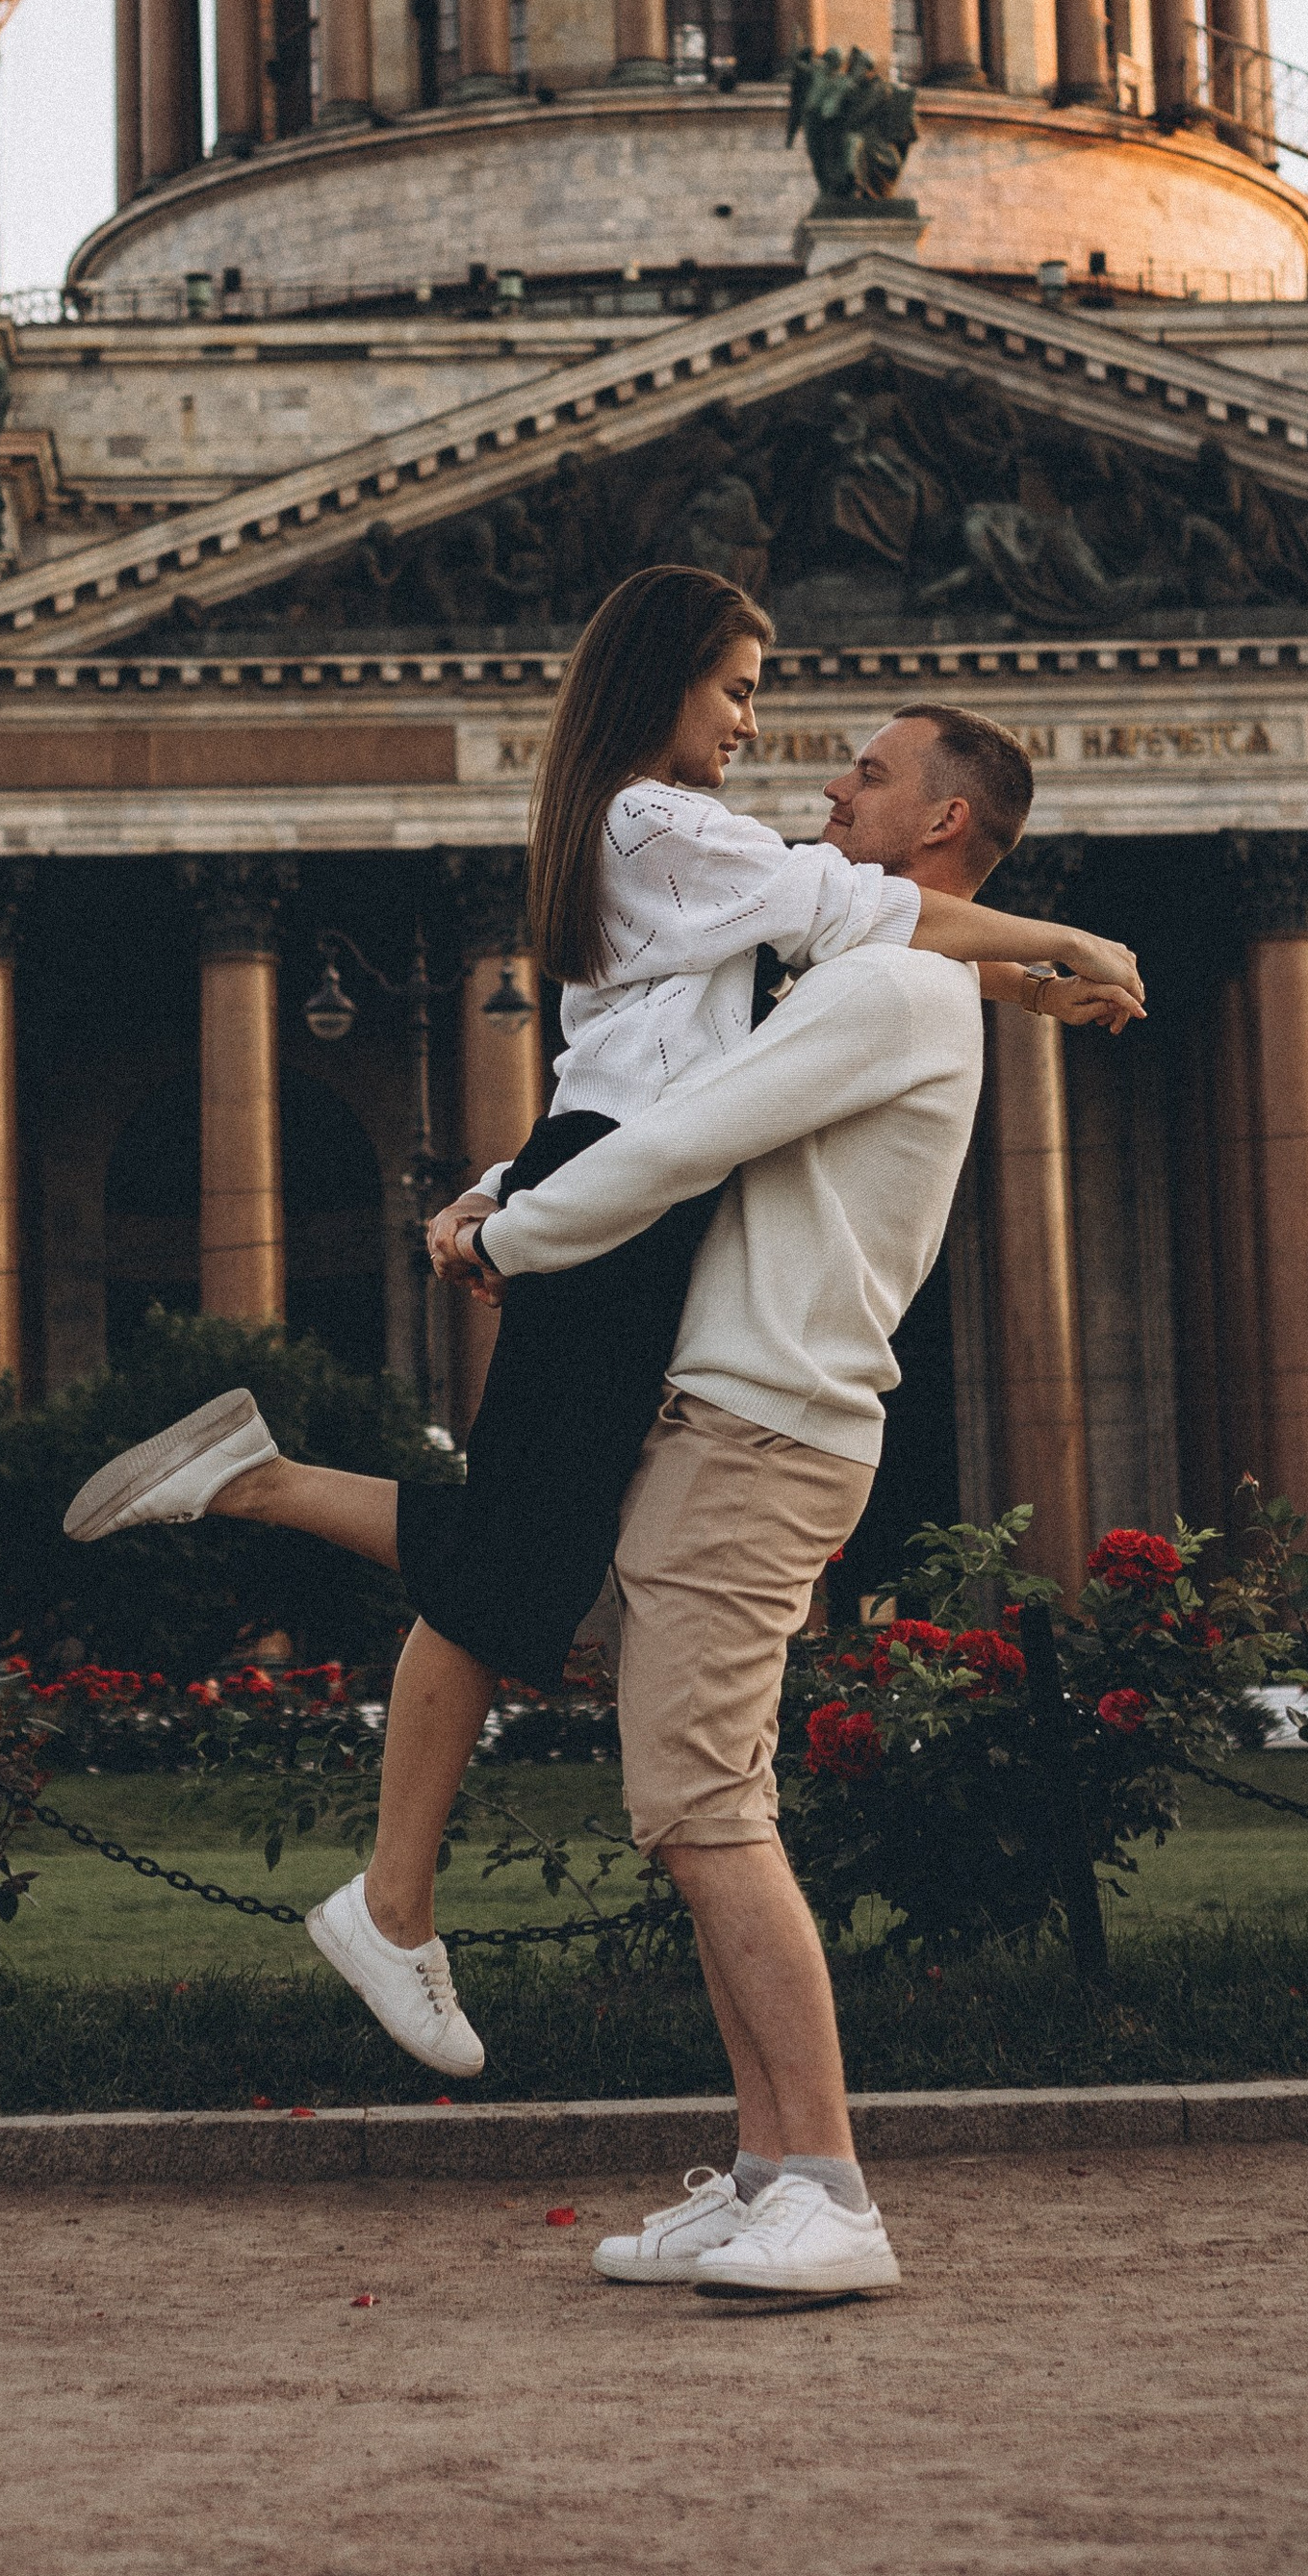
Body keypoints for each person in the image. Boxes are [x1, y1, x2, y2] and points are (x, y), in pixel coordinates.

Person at [62, 568, 1139, 2079]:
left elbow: (744, 1029)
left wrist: (1028, 990)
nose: (766, 733)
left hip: (598, 1170)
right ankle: (282, 1555)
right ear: (663, 680)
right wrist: (1062, 944)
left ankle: (387, 1876)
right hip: (616, 1197)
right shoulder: (658, 822)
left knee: (538, 1564)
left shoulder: (664, 843)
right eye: (741, 690)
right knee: (518, 1561)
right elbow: (836, 928)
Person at [426, 701, 1065, 2297]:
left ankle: (832, 2191)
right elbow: (658, 1102)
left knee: (711, 1814)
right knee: (707, 1807)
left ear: (939, 829)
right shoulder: (872, 983)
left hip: (759, 1437)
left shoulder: (900, 988)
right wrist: (513, 1188)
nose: (826, 786)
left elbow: (685, 1139)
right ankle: (773, 2164)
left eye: (866, 772)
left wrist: (514, 1245)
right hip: (736, 1429)